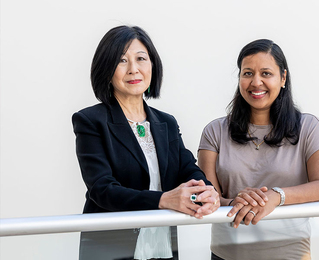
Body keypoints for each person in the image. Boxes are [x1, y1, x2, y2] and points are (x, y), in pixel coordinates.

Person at [72, 25, 219, 260]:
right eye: (122, 61)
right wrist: (163, 200)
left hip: (162, 246)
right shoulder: (90, 121)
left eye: (141, 58)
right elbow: (102, 189)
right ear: (107, 69)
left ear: (152, 65)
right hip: (111, 249)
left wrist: (205, 190)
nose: (133, 69)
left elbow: (187, 168)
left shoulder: (166, 122)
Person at [198, 39, 319, 260]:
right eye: (248, 73)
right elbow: (208, 196)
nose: (256, 82)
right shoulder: (215, 131)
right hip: (226, 254)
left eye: (266, 73)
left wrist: (276, 196)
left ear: (283, 78)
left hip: (291, 255)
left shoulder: (309, 127)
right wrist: (234, 202)